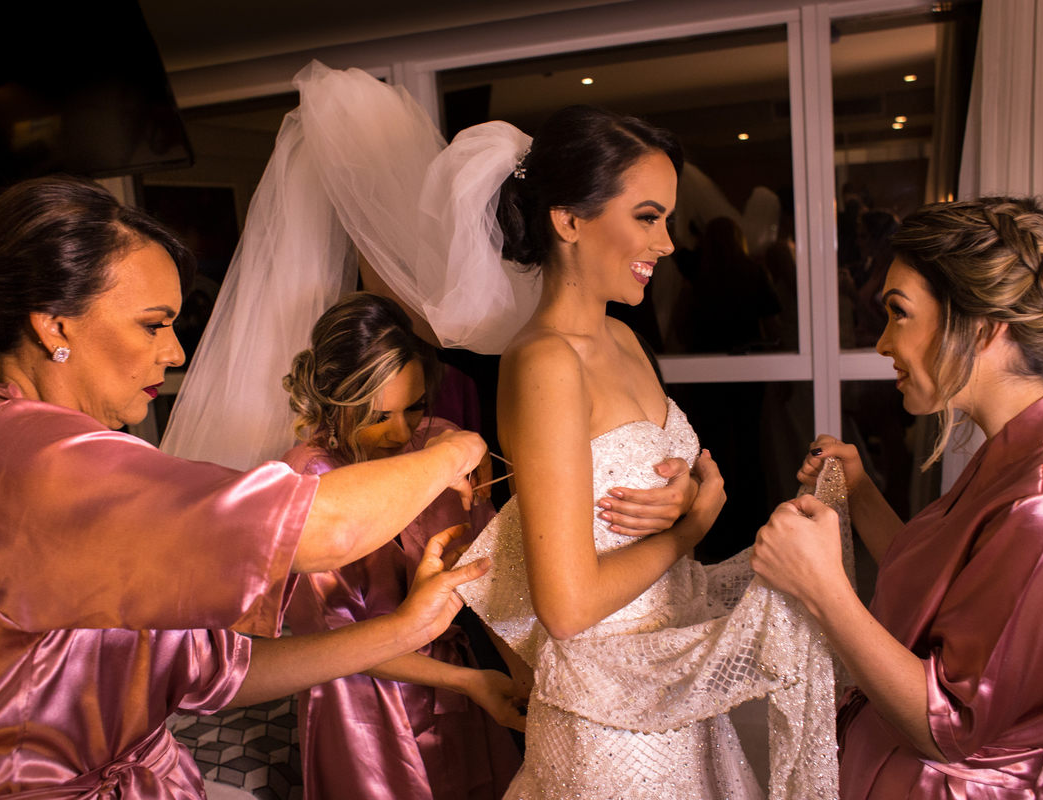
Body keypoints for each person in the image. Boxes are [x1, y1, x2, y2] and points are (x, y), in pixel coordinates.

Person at [163, 65, 847, 800]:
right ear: (569, 219)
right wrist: (690, 529)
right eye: (648, 217)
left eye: (668, 220)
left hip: (672, 686)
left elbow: (635, 479)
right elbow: (568, 605)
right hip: (608, 722)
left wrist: (683, 494)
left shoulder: (623, 341)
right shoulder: (543, 363)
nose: (669, 243)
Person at [0, 176, 495, 799]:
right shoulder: (25, 459)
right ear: (55, 327)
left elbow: (213, 673)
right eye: (153, 325)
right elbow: (326, 529)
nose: (175, 353)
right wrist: (456, 448)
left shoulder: (48, 451)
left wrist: (405, 629)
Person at [752, 197, 1043, 799]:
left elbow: (950, 726)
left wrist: (819, 586)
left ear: (980, 326)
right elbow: (961, 598)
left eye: (898, 313)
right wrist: (862, 496)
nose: (882, 344)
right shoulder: (1033, 439)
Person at [280, 292, 523, 800]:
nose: (400, 433)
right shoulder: (308, 482)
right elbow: (327, 643)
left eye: (413, 408)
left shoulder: (442, 445)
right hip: (362, 705)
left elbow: (494, 573)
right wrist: (468, 682)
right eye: (376, 416)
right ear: (332, 403)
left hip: (461, 686)